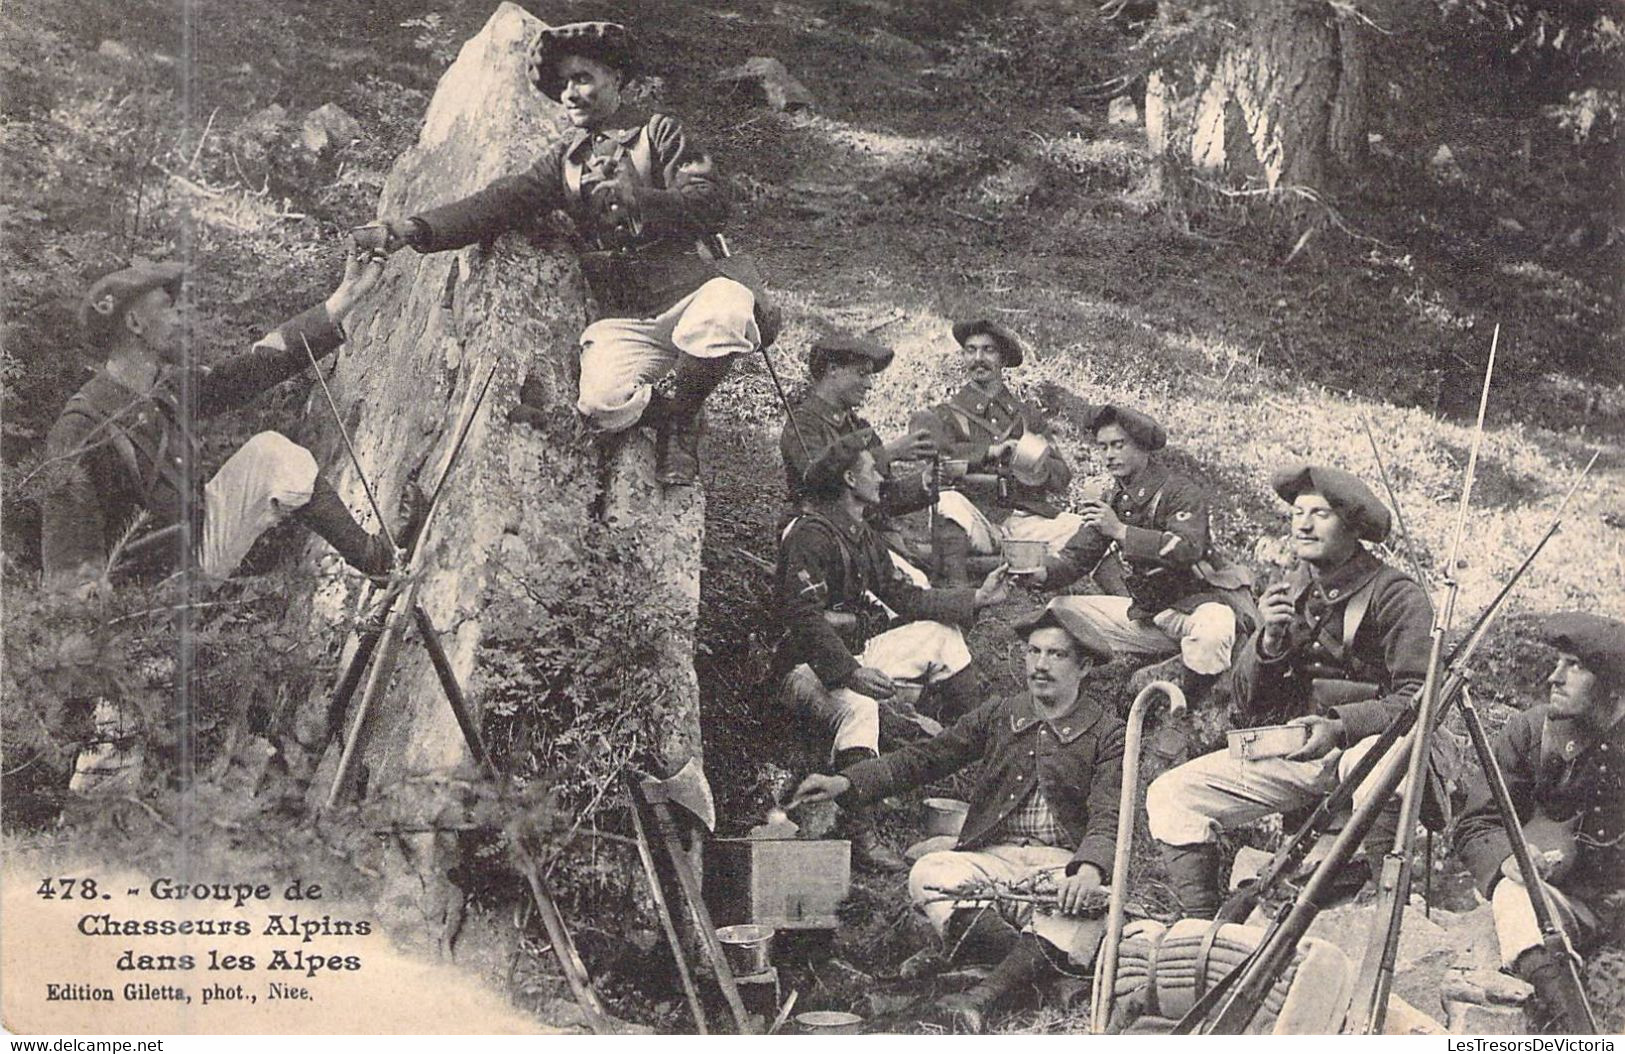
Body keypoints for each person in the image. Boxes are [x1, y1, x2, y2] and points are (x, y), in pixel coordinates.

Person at [363, 20, 765, 486]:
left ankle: (684, 419)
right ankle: (670, 408)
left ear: (617, 78)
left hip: (689, 293)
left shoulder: (660, 133)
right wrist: (416, 228)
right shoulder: (565, 162)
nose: (570, 93)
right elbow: (499, 203)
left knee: (728, 311)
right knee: (601, 406)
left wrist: (643, 199)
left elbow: (712, 203)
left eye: (583, 78)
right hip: (631, 316)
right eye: (564, 84)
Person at [792, 600, 1127, 1032]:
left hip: (1060, 866)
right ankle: (1034, 969)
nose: (1040, 665)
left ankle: (980, 996)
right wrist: (849, 782)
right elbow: (927, 758)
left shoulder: (1108, 732)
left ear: (1083, 667)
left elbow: (1109, 811)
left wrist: (1088, 871)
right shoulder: (1001, 713)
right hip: (992, 861)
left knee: (1092, 910)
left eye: (1056, 655)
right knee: (930, 874)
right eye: (1034, 652)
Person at [1145, 463, 1435, 918]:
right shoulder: (1295, 594)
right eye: (1298, 512)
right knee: (1172, 793)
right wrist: (1269, 641)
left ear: (1353, 526)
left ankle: (1388, 906)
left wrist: (1341, 727)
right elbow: (1246, 705)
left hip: (1375, 754)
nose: (1302, 523)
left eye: (1320, 513)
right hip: (1308, 755)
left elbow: (1419, 699)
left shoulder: (1398, 596)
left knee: (1371, 763)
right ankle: (1200, 930)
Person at [41, 251, 416, 589]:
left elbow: (250, 370)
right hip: (148, 605)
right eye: (168, 307)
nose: (180, 317)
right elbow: (69, 570)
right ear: (135, 323)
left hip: (195, 545)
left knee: (272, 455)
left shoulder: (164, 389)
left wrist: (344, 298)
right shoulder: (80, 426)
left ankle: (376, 560)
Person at [774, 432, 1009, 871]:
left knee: (943, 636)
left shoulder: (859, 533)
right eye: (873, 470)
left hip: (854, 654)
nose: (883, 477)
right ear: (849, 479)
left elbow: (906, 598)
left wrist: (976, 598)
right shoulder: (809, 535)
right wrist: (849, 673)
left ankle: (982, 753)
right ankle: (860, 830)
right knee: (859, 708)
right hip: (803, 667)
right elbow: (802, 621)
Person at [1455, 612, 1624, 1031]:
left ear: (1615, 687)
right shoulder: (1530, 733)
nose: (1555, 677)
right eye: (1559, 663)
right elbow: (1478, 822)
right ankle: (1570, 1022)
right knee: (1514, 894)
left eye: (1576, 666)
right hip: (1557, 901)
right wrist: (1509, 859)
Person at [1031, 404, 1252, 707]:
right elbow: (1077, 557)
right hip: (1150, 616)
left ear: (1143, 448)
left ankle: (1189, 708)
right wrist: (1041, 574)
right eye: (1104, 447)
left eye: (1118, 445)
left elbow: (1187, 547)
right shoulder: (1113, 500)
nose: (1109, 455)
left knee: (1213, 631)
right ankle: (1073, 705)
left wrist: (1121, 531)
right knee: (1059, 612)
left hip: (1197, 609)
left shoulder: (1180, 492)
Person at [909, 318, 1081, 585]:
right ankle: (960, 594)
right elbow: (939, 464)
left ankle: (1118, 609)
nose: (978, 358)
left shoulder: (1025, 416)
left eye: (988, 350)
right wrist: (989, 452)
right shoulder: (945, 415)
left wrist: (1035, 464)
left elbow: (1062, 477)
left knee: (1083, 527)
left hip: (1022, 522)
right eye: (970, 350)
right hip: (974, 521)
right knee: (946, 502)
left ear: (1002, 358)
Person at [779, 331, 940, 584]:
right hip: (824, 542)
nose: (869, 384)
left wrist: (925, 482)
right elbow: (817, 479)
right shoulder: (803, 425)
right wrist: (889, 453)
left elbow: (880, 498)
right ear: (833, 369)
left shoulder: (858, 427)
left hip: (865, 537)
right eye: (862, 373)